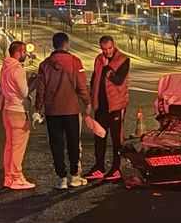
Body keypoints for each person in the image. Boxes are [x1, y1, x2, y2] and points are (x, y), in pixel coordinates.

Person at [35, 32, 92, 190]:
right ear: (66, 44)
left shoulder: (45, 64)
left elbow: (41, 90)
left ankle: (61, 178)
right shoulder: (75, 62)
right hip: (71, 109)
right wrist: (87, 102)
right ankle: (74, 175)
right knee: (73, 142)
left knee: (56, 144)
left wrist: (38, 108)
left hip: (52, 111)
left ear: (54, 45)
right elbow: (81, 86)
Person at [86, 35, 131, 182]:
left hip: (116, 106)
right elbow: (95, 80)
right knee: (99, 137)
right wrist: (91, 100)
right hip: (101, 106)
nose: (107, 52)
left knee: (116, 139)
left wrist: (107, 67)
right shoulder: (98, 59)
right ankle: (99, 167)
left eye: (109, 48)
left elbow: (118, 80)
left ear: (114, 45)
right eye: (104, 49)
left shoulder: (123, 59)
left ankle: (116, 168)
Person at [0, 41, 36, 190]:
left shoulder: (5, 67)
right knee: (17, 148)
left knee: (9, 146)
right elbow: (24, 92)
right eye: (24, 52)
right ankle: (16, 177)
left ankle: (8, 176)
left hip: (7, 110)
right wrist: (32, 82)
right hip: (18, 111)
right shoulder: (17, 69)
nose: (25, 54)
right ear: (19, 52)